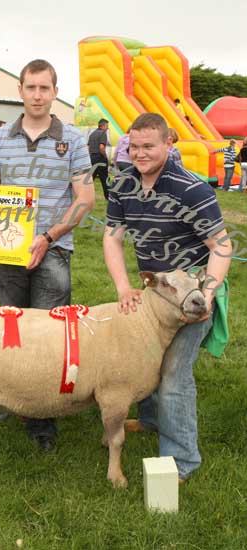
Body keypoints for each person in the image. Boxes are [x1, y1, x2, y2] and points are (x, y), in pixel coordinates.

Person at [103, 113, 231, 482]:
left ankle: (182, 461)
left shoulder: (192, 188)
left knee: (174, 372)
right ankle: (150, 419)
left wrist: (207, 293)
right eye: (134, 146)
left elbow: (221, 246)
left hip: (192, 293)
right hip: (156, 293)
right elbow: (112, 237)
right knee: (142, 356)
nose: (140, 154)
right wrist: (124, 288)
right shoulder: (123, 182)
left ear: (168, 145)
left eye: (149, 146)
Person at [0, 59, 94, 451]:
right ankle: (12, 399)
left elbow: (86, 199)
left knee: (48, 335)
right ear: (20, 90)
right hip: (6, 247)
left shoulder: (74, 140)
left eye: (45, 88)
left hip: (53, 249)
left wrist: (48, 235)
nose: (38, 95)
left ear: (55, 92)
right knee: (11, 327)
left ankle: (43, 418)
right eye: (31, 88)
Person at [88, 118, 110, 199]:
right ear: (103, 126)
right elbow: (101, 147)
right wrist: (105, 157)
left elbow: (88, 147)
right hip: (100, 158)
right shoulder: (103, 133)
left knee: (90, 179)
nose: (107, 128)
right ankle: (108, 197)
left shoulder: (92, 134)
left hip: (91, 158)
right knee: (104, 179)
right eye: (107, 126)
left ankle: (86, 196)